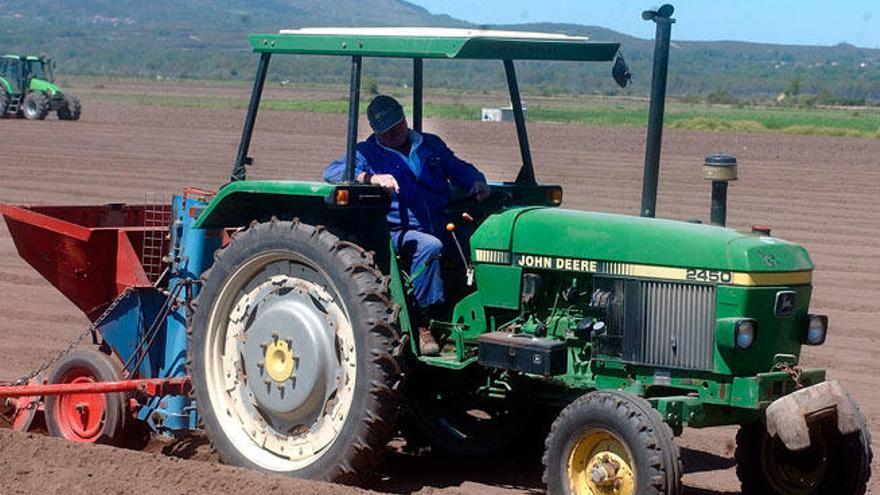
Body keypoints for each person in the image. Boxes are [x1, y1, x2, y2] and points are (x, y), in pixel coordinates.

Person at [324, 95, 489, 355]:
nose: (395, 134)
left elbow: (458, 168)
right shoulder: (366, 153)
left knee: (482, 241)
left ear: (404, 119)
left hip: (440, 221)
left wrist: (475, 181)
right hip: (400, 231)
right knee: (429, 247)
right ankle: (425, 322)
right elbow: (333, 172)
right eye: (387, 131)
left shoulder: (429, 145)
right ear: (377, 132)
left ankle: (482, 311)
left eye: (398, 126)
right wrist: (372, 177)